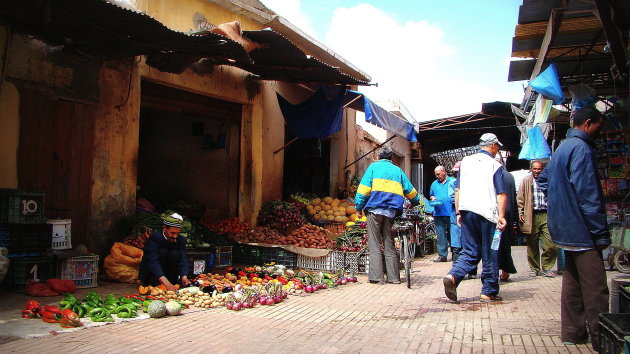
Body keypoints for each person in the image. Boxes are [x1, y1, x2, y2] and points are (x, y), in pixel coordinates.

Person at [537, 106, 610, 351]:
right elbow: (588, 195)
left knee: (573, 281)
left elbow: (543, 179)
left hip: (564, 228)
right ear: (588, 123)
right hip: (582, 230)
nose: (600, 132)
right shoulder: (581, 149)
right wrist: (600, 233)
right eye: (599, 126)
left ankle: (573, 333)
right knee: (595, 288)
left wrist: (560, 202)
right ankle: (603, 341)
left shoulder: (562, 149)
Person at [443, 133, 507, 302]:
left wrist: (458, 212)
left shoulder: (465, 162)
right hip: (488, 215)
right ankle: (489, 291)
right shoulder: (495, 165)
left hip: (467, 211)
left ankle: (453, 276)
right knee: (490, 252)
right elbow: (501, 193)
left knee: (469, 250)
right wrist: (501, 216)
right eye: (497, 147)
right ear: (492, 145)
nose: (497, 150)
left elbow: (457, 190)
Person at [355, 146, 420, 284]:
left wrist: (358, 207)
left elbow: (364, 190)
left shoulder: (373, 168)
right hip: (391, 212)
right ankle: (394, 278)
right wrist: (415, 201)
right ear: (391, 158)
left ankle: (376, 277)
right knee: (389, 243)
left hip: (374, 210)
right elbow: (410, 190)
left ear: (379, 157)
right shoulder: (398, 171)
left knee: (374, 243)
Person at [517, 161, 558, 277]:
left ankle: (547, 267)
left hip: (546, 214)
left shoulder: (548, 179)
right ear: (531, 169)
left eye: (539, 169)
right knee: (532, 244)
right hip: (532, 214)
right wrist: (521, 211)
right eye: (535, 169)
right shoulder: (526, 180)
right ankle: (534, 268)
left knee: (550, 243)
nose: (537, 171)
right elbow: (520, 197)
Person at [138, 212, 190, 291]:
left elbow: (183, 258)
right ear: (165, 228)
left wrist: (184, 275)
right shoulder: (154, 238)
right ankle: (154, 283)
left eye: (177, 233)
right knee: (163, 251)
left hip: (170, 274)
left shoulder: (180, 240)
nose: (175, 236)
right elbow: (152, 261)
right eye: (172, 233)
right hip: (153, 274)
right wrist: (165, 282)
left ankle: (172, 282)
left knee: (175, 254)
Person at [449, 162, 477, 280]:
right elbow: (451, 198)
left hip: (470, 215)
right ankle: (456, 273)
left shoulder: (472, 182)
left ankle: (472, 271)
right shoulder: (452, 183)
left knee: (470, 244)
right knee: (456, 244)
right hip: (456, 216)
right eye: (456, 172)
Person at [496, 154, 517, 281]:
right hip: (508, 214)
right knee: (506, 244)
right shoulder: (510, 176)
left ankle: (497, 272)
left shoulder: (494, 176)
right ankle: (505, 271)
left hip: (498, 214)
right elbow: (513, 198)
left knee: (495, 244)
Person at [430, 166, 455, 262]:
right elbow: (431, 194)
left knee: (453, 233)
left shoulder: (453, 181)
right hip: (438, 213)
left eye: (438, 174)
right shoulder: (434, 184)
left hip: (451, 212)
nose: (437, 176)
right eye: (436, 175)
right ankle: (442, 255)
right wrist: (432, 198)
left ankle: (455, 254)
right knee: (440, 234)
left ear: (444, 172)